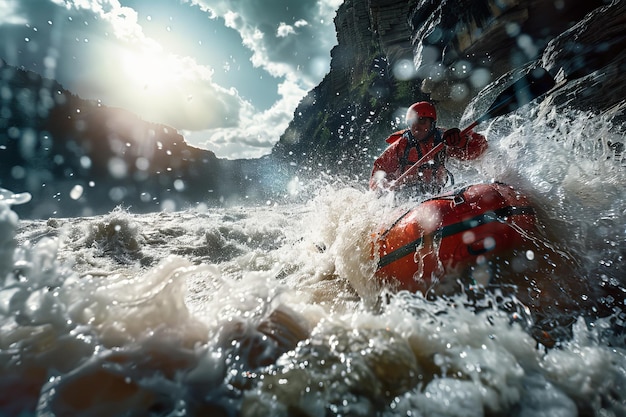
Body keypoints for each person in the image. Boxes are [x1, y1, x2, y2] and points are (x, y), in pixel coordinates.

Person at [369, 101, 488, 195]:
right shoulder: (400, 146)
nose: (416, 126)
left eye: (422, 121)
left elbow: (479, 148)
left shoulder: (444, 139)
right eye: (413, 122)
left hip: (435, 192)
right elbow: (378, 173)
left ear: (432, 123)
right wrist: (385, 185)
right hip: (405, 195)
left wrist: (461, 142)